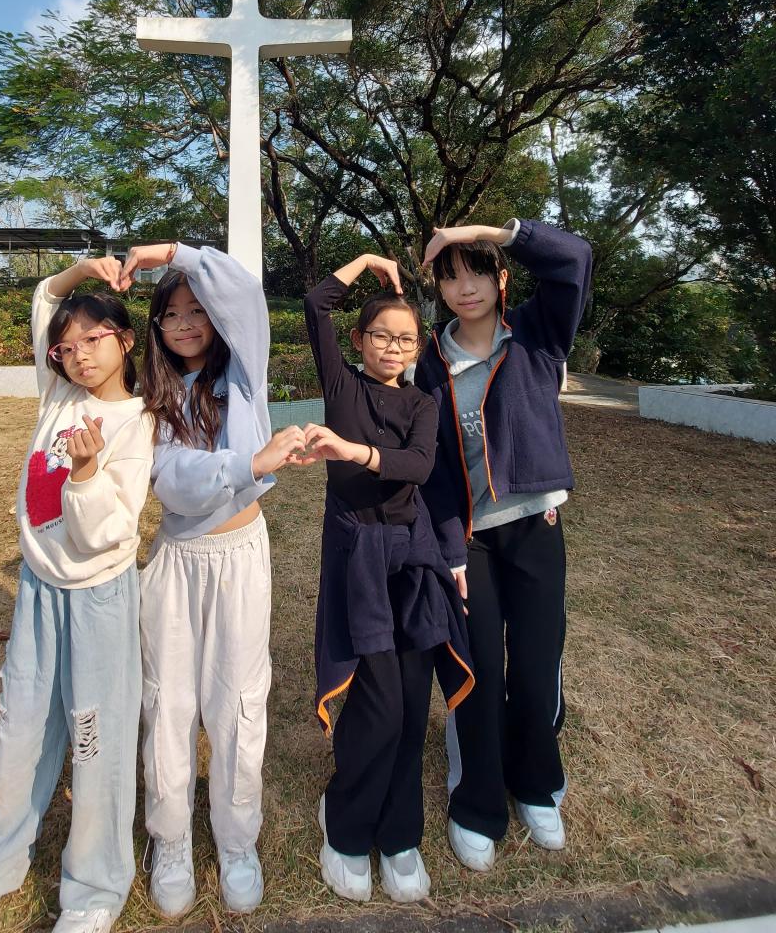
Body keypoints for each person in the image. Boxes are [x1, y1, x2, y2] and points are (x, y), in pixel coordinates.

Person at [0, 255, 154, 933]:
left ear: (125, 341)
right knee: (20, 728)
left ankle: (93, 891)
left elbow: (109, 531)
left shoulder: (137, 420)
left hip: (99, 600)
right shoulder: (57, 396)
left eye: (95, 339)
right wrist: (81, 270)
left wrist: (85, 474)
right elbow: (43, 302)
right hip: (38, 591)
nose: (80, 355)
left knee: (95, 739)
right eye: (67, 345)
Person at [123, 241, 306, 918]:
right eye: (171, 315)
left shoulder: (245, 372)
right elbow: (172, 482)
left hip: (241, 556)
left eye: (197, 310)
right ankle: (170, 837)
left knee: (238, 702)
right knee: (168, 702)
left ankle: (237, 841)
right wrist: (247, 463)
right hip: (177, 560)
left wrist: (174, 253)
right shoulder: (152, 400)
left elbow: (244, 292)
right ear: (156, 328)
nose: (186, 324)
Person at [415, 218, 592, 873]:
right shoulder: (430, 360)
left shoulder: (538, 332)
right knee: (481, 667)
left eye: (477, 273)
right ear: (439, 289)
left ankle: (538, 785)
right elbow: (432, 465)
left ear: (501, 279)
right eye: (451, 277)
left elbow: (574, 258)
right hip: (471, 540)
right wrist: (448, 546)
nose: (465, 288)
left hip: (536, 526)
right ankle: (478, 802)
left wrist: (485, 230)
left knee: (538, 664)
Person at [303, 252, 474, 904]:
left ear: (417, 347)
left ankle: (401, 835)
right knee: (381, 705)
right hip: (360, 558)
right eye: (381, 335)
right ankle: (346, 826)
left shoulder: (423, 403)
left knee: (411, 700)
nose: (393, 347)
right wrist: (365, 263)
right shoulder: (342, 386)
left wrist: (353, 451)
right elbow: (315, 304)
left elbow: (419, 466)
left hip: (414, 559)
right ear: (359, 340)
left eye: (405, 339)